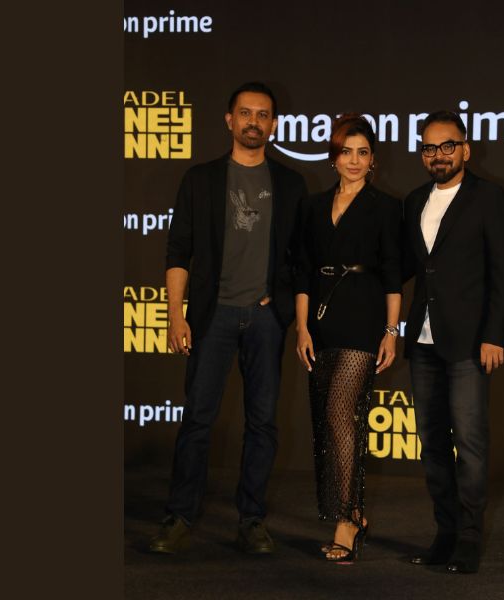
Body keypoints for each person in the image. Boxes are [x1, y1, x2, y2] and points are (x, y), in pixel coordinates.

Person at [148, 82, 308, 555]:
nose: (253, 122)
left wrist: (286, 312)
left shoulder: (291, 184)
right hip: (211, 317)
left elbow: (301, 258)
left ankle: (251, 519)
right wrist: (175, 315)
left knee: (262, 424)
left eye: (262, 115)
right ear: (229, 120)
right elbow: (178, 251)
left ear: (274, 124)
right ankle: (179, 516)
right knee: (198, 420)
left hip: (265, 319)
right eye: (245, 113)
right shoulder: (200, 180)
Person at [402, 110, 504, 574]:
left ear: (465, 149)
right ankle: (445, 533)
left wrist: (494, 336)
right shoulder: (414, 201)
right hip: (423, 341)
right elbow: (409, 268)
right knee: (432, 445)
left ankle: (469, 539)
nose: (439, 155)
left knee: (469, 443)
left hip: (471, 343)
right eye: (430, 148)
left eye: (447, 146)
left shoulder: (490, 199)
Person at [294, 113, 402, 562]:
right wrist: (301, 327)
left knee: (340, 411)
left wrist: (391, 331)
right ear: (333, 157)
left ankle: (347, 520)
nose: (354, 160)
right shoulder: (312, 206)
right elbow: (302, 271)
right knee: (327, 419)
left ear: (373, 159)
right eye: (346, 152)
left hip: (364, 318)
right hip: (321, 321)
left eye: (363, 153)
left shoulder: (386, 207)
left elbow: (393, 275)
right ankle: (351, 509)